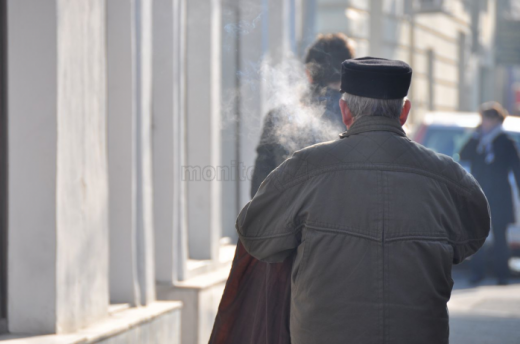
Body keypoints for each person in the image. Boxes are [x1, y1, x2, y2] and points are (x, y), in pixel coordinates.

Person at [236, 57, 490, 344]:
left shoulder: (305, 168)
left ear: (345, 111)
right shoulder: (447, 176)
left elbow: (254, 234)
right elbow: (473, 236)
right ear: (404, 111)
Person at [210, 33, 354, 344]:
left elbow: (259, 193)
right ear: (347, 74)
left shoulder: (281, 116)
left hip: (284, 255)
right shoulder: (354, 121)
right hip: (342, 256)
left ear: (308, 71)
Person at [460, 102, 520, 285]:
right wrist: (474, 135)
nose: (485, 123)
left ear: (496, 120)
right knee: (478, 234)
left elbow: (517, 170)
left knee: (500, 236)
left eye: (488, 119)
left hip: (499, 195)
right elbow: (463, 155)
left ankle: (502, 274)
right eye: (483, 119)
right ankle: (477, 272)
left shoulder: (506, 142)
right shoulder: (478, 140)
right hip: (479, 193)